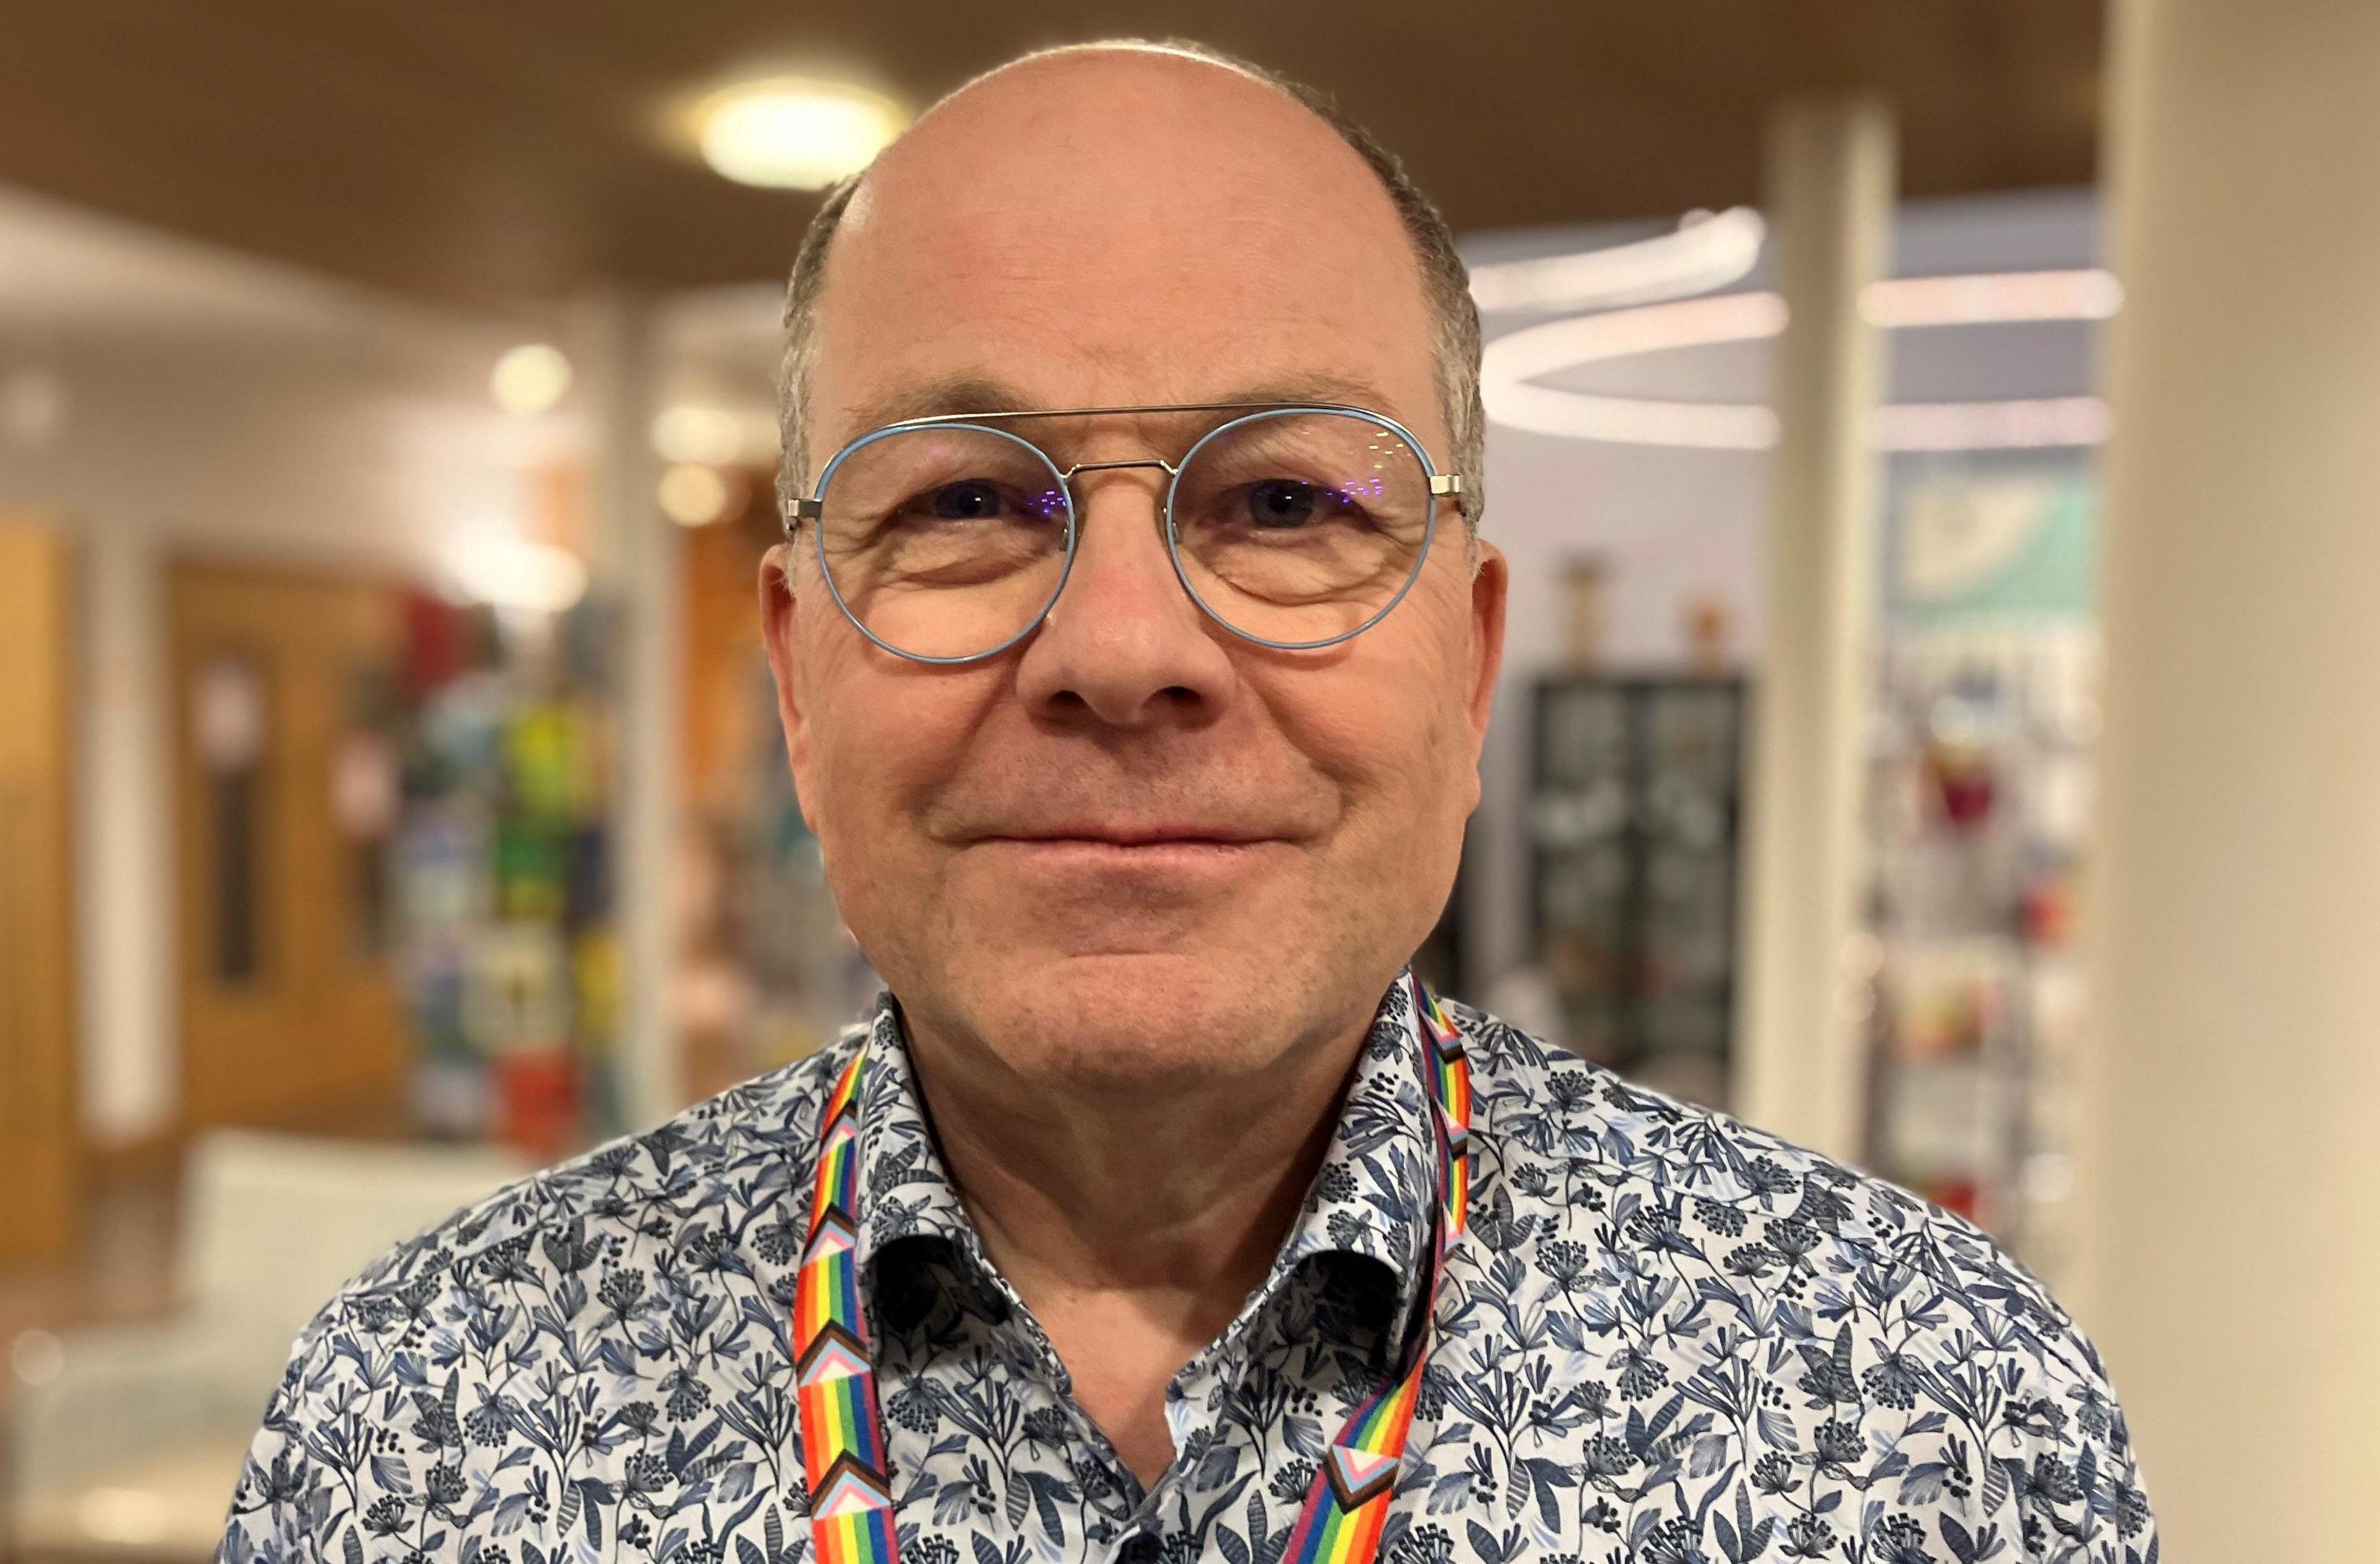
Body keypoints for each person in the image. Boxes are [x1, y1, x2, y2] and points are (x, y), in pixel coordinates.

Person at [227, 41, 2153, 1564]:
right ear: (798, 675)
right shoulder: (426, 1425)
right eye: (968, 502)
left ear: (1471, 671)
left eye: (1289, 504)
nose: (1126, 645)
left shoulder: (1919, 1422)